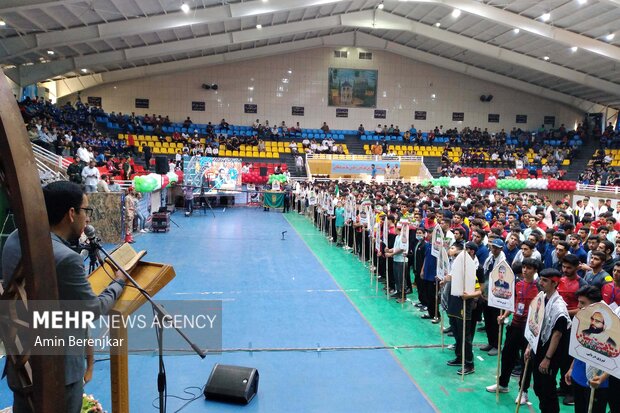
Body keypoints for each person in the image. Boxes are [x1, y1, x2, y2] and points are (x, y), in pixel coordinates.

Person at [1, 181, 127, 413]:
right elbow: (92, 310)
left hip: (21, 361)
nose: (87, 219)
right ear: (71, 213)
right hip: (58, 370)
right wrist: (117, 284)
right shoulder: (67, 259)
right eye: (85, 211)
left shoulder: (14, 238)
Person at [486, 258, 540, 405]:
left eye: (529, 268)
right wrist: (504, 316)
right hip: (515, 325)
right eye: (523, 267)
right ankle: (503, 384)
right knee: (507, 354)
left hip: (529, 329)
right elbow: (513, 303)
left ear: (535, 270)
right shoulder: (518, 284)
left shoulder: (539, 287)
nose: (525, 270)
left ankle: (523, 391)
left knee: (526, 360)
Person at [525, 268, 570, 413]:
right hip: (538, 347)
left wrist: (547, 358)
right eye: (541, 279)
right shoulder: (542, 298)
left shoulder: (559, 308)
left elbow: (557, 334)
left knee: (547, 388)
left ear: (554, 283)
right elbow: (535, 325)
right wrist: (529, 346)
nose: (540, 282)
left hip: (551, 352)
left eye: (545, 280)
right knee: (538, 386)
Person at [565, 286, 610, 413]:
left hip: (597, 380)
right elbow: (579, 347)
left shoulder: (611, 325)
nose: (578, 306)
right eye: (578, 301)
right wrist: (572, 368)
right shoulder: (583, 319)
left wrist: (602, 378)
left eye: (582, 303)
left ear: (595, 304)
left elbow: (616, 360)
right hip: (578, 375)